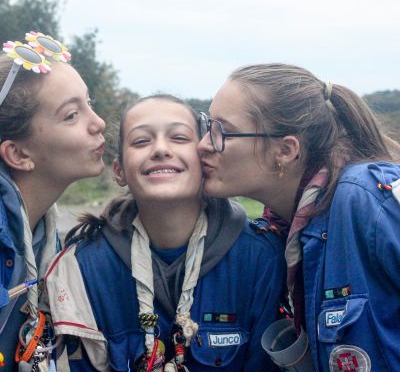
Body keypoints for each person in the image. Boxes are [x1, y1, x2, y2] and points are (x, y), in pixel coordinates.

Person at [44, 94, 286, 371]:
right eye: (141, 141)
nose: (160, 149)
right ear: (119, 171)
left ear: (205, 159)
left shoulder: (259, 257)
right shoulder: (83, 266)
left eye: (179, 138)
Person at [198, 63, 400, 372]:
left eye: (222, 131)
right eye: (207, 125)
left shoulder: (367, 198)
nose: (203, 145)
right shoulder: (282, 235)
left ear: (285, 150)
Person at [0, 32, 106, 370]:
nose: (99, 123)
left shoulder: (42, 232)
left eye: (89, 103)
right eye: (72, 115)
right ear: (19, 154)